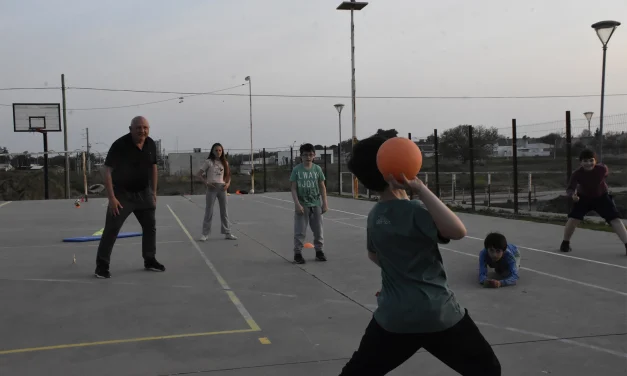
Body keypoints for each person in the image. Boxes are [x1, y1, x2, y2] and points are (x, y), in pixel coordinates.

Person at [339, 135, 501, 376]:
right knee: (487, 369)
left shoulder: (375, 216)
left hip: (394, 317)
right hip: (436, 313)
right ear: (394, 168)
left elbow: (374, 255)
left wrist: (398, 276)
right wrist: (421, 189)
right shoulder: (415, 210)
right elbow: (457, 231)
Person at [95, 116, 165, 279]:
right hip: (122, 195)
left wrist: (154, 192)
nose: (142, 131)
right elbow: (107, 170)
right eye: (139, 127)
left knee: (150, 227)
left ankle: (150, 259)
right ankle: (101, 266)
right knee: (112, 229)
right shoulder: (120, 145)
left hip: (144, 193)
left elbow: (154, 167)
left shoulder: (150, 144)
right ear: (131, 129)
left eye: (145, 128)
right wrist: (112, 198)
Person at [560, 149, 627, 254]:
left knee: (615, 219)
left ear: (596, 161)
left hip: (602, 197)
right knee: (573, 219)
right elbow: (570, 189)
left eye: (591, 160)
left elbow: (605, 176)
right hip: (583, 198)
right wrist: (572, 195)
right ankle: (565, 243)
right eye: (585, 161)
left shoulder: (602, 169)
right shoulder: (577, 174)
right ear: (580, 162)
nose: (588, 163)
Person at [290, 143, 329, 264]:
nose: (308, 157)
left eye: (310, 154)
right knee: (300, 231)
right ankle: (298, 253)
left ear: (314, 156)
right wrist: (297, 204)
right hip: (303, 204)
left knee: (318, 230)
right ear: (301, 156)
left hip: (316, 203)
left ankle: (319, 251)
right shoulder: (297, 170)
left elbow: (322, 187)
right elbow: (293, 188)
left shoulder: (317, 169)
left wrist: (325, 203)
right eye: (305, 155)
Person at [197, 143, 237, 241]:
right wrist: (206, 183)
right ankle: (205, 234)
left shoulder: (225, 162)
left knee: (224, 211)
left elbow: (228, 176)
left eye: (220, 150)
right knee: (209, 211)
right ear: (212, 151)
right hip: (212, 188)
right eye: (216, 150)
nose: (218, 152)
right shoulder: (208, 162)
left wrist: (227, 184)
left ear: (222, 151)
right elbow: (199, 174)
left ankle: (227, 232)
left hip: (222, 188)